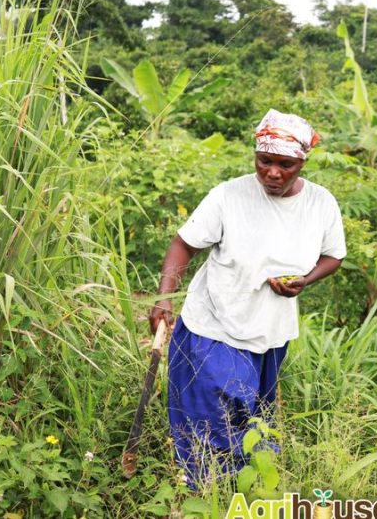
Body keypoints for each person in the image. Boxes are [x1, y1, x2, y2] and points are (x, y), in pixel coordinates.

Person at [148, 109, 346, 485]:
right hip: (215, 324)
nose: (273, 172)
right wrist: (164, 298)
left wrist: (305, 280)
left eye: (285, 164)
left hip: (271, 332)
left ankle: (247, 488)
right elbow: (182, 246)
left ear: (303, 161)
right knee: (214, 415)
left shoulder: (321, 204)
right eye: (264, 161)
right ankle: (205, 493)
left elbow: (333, 256)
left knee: (253, 419)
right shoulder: (228, 197)